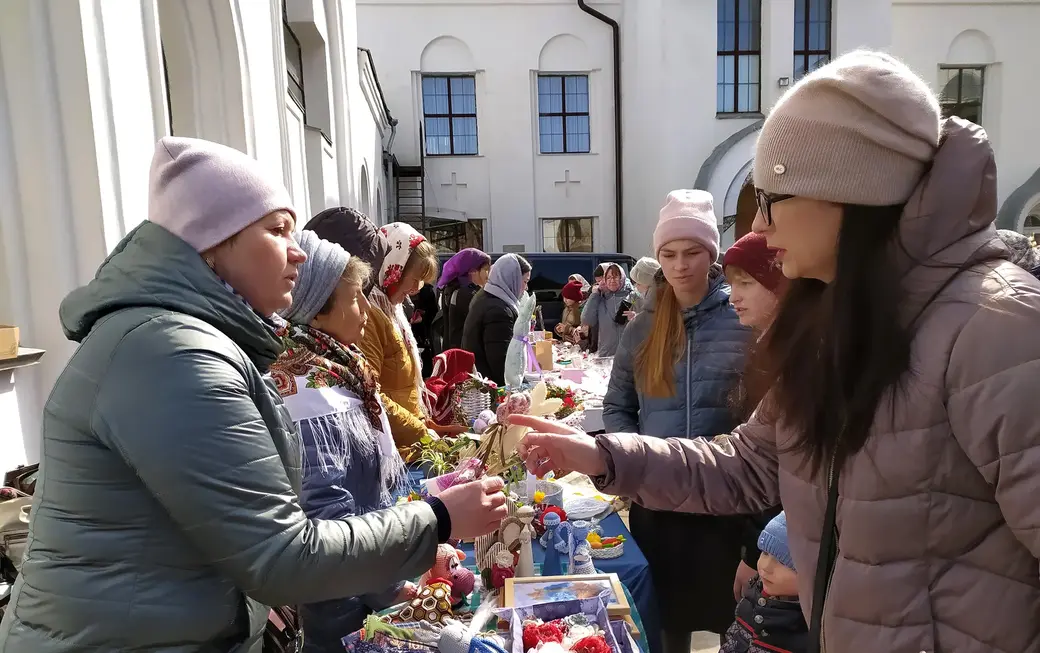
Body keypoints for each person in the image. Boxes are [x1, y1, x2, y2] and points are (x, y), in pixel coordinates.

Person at [513, 51, 1040, 653]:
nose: (759, 229)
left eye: (771, 198)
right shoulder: (838, 321)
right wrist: (603, 456)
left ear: (845, 192)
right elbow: (750, 464)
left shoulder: (997, 326)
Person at [0, 137, 508, 652]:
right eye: (277, 230)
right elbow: (281, 556)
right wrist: (437, 519)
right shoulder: (172, 353)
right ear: (214, 242)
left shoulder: (189, 341)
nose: (296, 252)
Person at [602, 189, 750, 652]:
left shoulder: (744, 319)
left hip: (728, 506)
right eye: (668, 254)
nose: (680, 265)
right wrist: (634, 464)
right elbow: (618, 405)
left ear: (712, 254)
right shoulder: (643, 325)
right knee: (666, 628)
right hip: (660, 504)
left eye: (692, 253)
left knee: (737, 624)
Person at [272, 231, 419, 651]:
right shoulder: (307, 391)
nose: (364, 311)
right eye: (354, 298)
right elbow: (327, 514)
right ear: (318, 313)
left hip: (366, 584)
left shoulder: (336, 368)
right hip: (347, 609)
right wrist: (390, 586)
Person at [722, 231, 787, 600]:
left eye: (746, 283)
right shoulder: (764, 343)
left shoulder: (787, 357)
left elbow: (774, 468)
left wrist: (758, 550)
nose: (734, 296)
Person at [356, 222, 460, 455]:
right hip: (393, 450)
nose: (416, 288)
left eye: (421, 282)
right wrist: (422, 433)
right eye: (414, 279)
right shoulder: (370, 313)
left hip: (406, 443)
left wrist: (427, 424)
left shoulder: (391, 309)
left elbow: (404, 388)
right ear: (394, 267)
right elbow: (372, 394)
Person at [721, 512, 807, 653]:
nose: (765, 566)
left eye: (782, 562)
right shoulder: (753, 596)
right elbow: (734, 641)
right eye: (765, 553)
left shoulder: (812, 627)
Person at [462, 253, 532, 385]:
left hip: (480, 380)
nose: (526, 288)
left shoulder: (486, 296)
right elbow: (502, 362)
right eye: (525, 282)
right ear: (513, 279)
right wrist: (525, 387)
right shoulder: (499, 310)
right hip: (490, 388)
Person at [437, 248, 492, 349]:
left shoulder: (453, 288)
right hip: (464, 353)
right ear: (472, 271)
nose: (489, 274)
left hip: (455, 351)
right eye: (486, 269)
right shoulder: (466, 293)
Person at [581, 262, 632, 357]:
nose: (612, 280)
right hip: (606, 355)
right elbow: (586, 320)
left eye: (615, 277)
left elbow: (649, 322)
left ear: (622, 277)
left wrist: (635, 316)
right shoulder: (600, 299)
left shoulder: (633, 296)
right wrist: (594, 294)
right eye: (608, 278)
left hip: (628, 356)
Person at [554, 279, 587, 346]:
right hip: (567, 344)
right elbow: (565, 327)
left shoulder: (581, 310)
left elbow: (583, 332)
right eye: (564, 297)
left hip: (578, 345)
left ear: (575, 298)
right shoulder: (566, 309)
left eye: (568, 298)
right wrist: (559, 329)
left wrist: (566, 328)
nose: (565, 300)